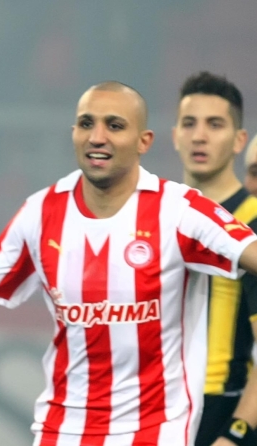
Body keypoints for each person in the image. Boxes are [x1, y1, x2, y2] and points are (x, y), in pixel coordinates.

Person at [0, 81, 257, 445]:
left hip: (155, 432)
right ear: (73, 133)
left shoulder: (179, 210)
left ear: (144, 141)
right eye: (86, 123)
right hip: (62, 431)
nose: (97, 136)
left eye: (114, 125)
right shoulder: (41, 213)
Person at [172, 72, 257, 446]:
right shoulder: (155, 216)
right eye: (189, 123)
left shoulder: (252, 223)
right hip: (156, 408)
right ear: (175, 135)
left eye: (215, 124)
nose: (199, 136)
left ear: (239, 140)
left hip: (222, 409)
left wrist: (236, 433)